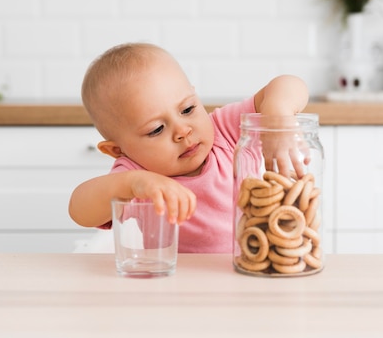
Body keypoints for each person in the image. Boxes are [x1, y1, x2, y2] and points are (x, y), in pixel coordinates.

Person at [68, 42, 309, 253]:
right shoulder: (138, 174)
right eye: (156, 129)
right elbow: (79, 210)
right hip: (180, 287)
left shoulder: (224, 130)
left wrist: (277, 115)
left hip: (251, 272)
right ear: (118, 150)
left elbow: (288, 83)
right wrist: (133, 184)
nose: (183, 131)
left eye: (187, 110)